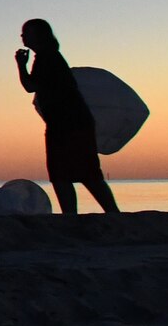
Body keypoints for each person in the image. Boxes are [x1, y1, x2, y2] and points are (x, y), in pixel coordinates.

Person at [16, 19, 119, 215]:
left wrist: (21, 65)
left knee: (66, 173)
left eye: (26, 33)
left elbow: (30, 86)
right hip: (69, 122)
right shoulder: (48, 57)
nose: (22, 36)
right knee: (82, 172)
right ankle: (105, 213)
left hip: (68, 123)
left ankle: (73, 216)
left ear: (39, 35)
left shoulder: (48, 57)